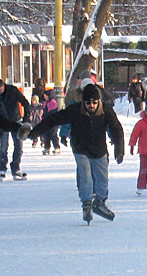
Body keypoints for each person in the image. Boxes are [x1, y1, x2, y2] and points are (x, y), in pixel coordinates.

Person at [21, 83, 124, 223]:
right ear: (83, 101)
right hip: (80, 148)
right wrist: (34, 133)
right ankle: (87, 204)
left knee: (103, 180)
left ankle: (100, 202)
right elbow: (53, 120)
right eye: (88, 103)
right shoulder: (75, 110)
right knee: (86, 176)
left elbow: (117, 129)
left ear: (99, 101)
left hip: (99, 149)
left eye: (94, 102)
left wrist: (119, 149)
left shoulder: (106, 110)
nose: (91, 106)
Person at [0, 79, 30, 181]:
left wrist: (26, 118)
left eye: (1, 89)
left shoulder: (12, 90)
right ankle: (1, 169)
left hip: (15, 121)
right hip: (3, 123)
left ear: (4, 86)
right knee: (3, 146)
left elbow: (25, 102)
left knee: (19, 145)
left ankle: (16, 168)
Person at [40, 90, 61, 155]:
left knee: (53, 134)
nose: (45, 97)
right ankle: (47, 148)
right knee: (46, 135)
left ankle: (57, 147)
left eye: (46, 96)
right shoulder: (45, 103)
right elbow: (45, 112)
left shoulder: (53, 103)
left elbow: (50, 113)